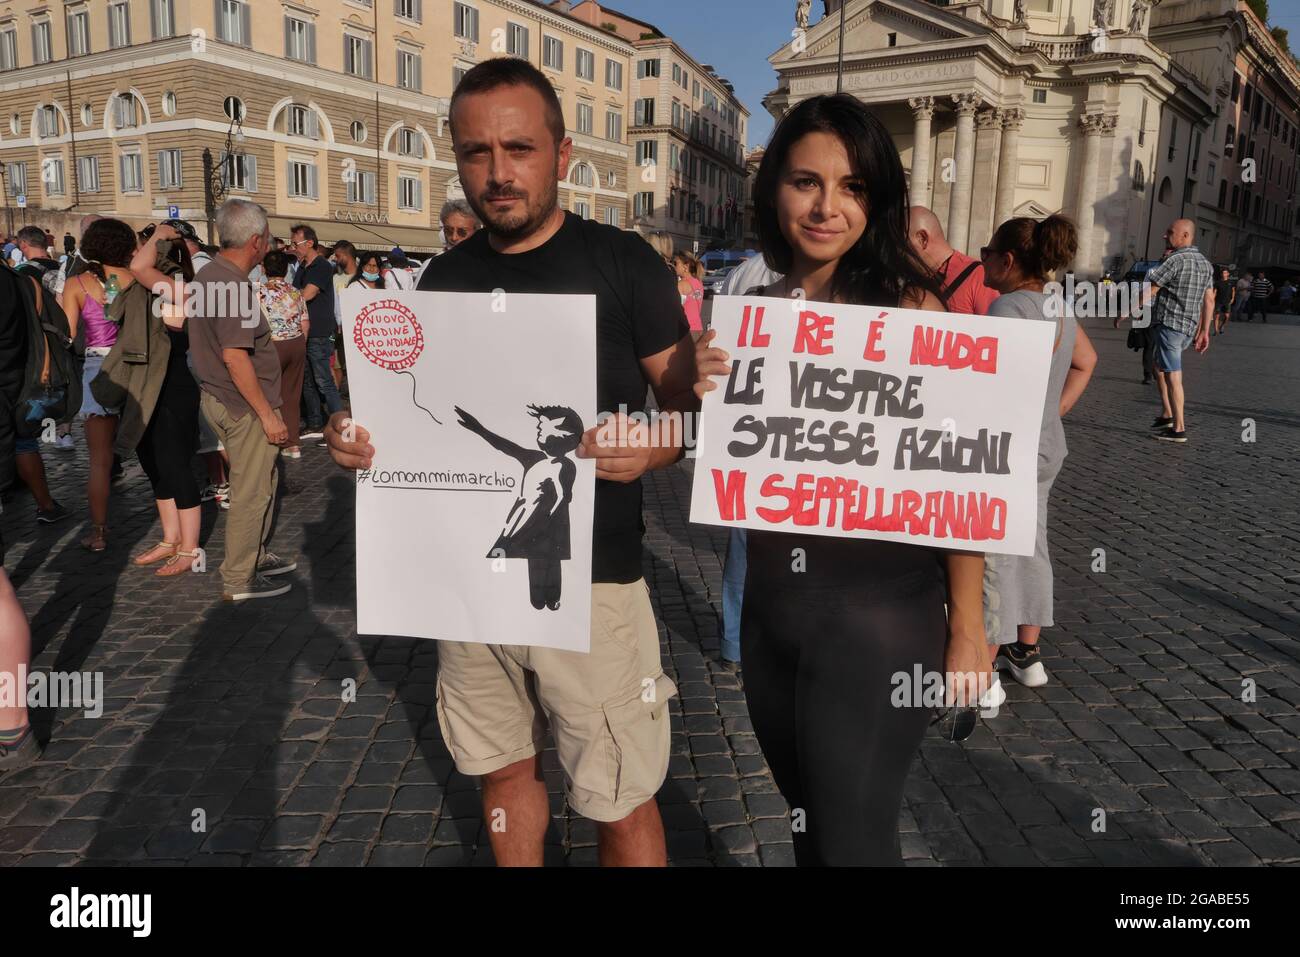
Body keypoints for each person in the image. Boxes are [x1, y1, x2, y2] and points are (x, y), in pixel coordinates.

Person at [325, 57, 696, 866]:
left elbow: (685, 409)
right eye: (475, 153)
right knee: (500, 767)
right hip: (470, 583)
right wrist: (354, 433)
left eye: (519, 149)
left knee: (620, 791)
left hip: (594, 581)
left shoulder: (626, 264)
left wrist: (656, 444)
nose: (497, 174)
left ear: (563, 156)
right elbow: (408, 419)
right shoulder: (442, 281)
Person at [694, 93, 989, 865]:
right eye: (805, 182)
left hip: (878, 625)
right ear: (773, 191)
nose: (827, 207)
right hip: (770, 618)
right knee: (810, 831)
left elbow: (958, 477)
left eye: (852, 187)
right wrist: (696, 386)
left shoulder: (911, 305)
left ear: (878, 200)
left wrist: (968, 628)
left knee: (854, 844)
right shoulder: (750, 311)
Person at [978, 216, 1097, 697]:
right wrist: (1055, 410)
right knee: (1032, 544)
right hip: (1047, 447)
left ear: (1007, 261)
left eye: (987, 251)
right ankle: (1026, 653)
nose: (981, 259)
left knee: (992, 556)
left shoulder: (1007, 308)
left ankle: (982, 675)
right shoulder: (1059, 306)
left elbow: (996, 388)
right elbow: (1087, 361)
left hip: (1009, 451)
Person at [188, 199, 296, 601]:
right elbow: (235, 357)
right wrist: (267, 415)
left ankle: (255, 556)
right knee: (251, 491)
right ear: (256, 241)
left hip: (222, 396)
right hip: (243, 404)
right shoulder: (230, 285)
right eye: (266, 239)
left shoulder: (209, 275)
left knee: (262, 482)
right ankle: (238, 580)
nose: (268, 246)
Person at [116, 224, 205, 576]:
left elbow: (139, 266)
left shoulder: (180, 288)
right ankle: (170, 538)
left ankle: (190, 548)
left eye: (149, 247)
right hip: (148, 386)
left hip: (174, 388)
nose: (141, 251)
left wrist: (158, 235)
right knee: (152, 461)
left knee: (175, 465)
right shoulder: (150, 290)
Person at [59, 217, 138, 552]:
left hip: (97, 369)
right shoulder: (136, 280)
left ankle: (99, 533)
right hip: (136, 366)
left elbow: (69, 335)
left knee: (99, 461)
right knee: (152, 450)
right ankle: (176, 532)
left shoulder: (76, 283)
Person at [1135, 219, 1212, 443]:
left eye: (1170, 232)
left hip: (1171, 325)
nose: (1165, 236)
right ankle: (1167, 413)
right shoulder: (1206, 264)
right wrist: (1204, 331)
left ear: (1185, 236)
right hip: (1188, 328)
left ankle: (1178, 428)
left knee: (1173, 376)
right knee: (1159, 367)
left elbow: (1152, 289)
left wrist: (1127, 310)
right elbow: (1209, 300)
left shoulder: (1175, 259)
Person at [289, 225, 342, 443]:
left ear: (309, 243)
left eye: (296, 244)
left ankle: (340, 425)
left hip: (320, 331)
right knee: (308, 381)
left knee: (324, 381)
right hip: (304, 331)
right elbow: (294, 292)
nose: (293, 248)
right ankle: (315, 423)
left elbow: (307, 294)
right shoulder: (302, 266)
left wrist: (284, 301)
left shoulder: (321, 265)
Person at [257, 250, 310, 460]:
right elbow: (305, 322)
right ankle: (293, 444)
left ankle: (270, 439)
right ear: (287, 269)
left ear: (263, 268)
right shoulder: (296, 292)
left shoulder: (257, 291)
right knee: (291, 395)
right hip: (296, 343)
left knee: (268, 394)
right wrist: (299, 342)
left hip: (272, 345)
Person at [908, 206, 999, 316]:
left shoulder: (979, 277)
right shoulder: (913, 281)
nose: (896, 252)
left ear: (922, 239)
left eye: (901, 244)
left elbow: (994, 331)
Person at [672, 251, 705, 338]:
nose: (673, 266)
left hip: (685, 330)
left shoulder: (681, 284)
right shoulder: (699, 282)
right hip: (698, 328)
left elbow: (673, 309)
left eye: (675, 263)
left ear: (685, 266)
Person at [1213, 267, 1234, 335]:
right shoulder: (1217, 282)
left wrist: (1233, 298)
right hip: (1218, 301)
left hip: (1227, 301)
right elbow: (1215, 292)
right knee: (1217, 316)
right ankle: (1216, 331)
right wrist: (1212, 300)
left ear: (1228, 274)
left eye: (1225, 273)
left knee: (1226, 316)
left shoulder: (1231, 282)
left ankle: (1222, 326)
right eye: (1222, 273)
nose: (1223, 274)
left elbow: (1233, 291)